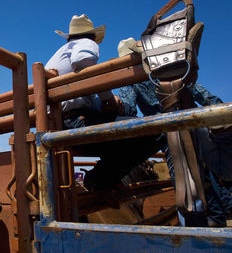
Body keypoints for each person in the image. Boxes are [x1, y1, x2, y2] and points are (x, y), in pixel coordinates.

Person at [117, 37, 232, 227]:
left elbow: (129, 108)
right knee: (209, 172)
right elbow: (200, 93)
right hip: (195, 122)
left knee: (184, 181)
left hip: (170, 132)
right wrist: (218, 111)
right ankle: (221, 216)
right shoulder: (164, 68)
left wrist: (115, 105)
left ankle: (201, 229)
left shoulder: (130, 80)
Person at [45, 15, 166, 192]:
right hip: (74, 124)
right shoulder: (85, 43)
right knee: (158, 132)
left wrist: (103, 102)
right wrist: (107, 98)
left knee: (125, 125)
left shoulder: (61, 54)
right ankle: (98, 179)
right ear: (92, 36)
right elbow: (83, 64)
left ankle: (103, 179)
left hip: (59, 124)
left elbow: (79, 92)